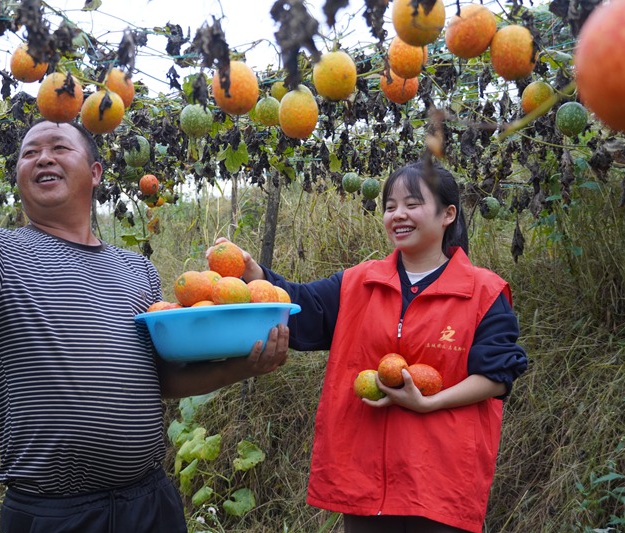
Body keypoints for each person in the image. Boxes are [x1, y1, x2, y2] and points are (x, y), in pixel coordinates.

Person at [0, 85, 290, 532]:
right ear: (19, 176)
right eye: (30, 154)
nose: (42, 158)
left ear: (96, 172)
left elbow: (160, 378)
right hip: (54, 515)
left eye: (59, 147)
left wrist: (248, 365)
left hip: (150, 504)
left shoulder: (137, 269)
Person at [221, 161, 528, 533]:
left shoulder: (483, 291)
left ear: (448, 214)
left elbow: (497, 375)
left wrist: (429, 402)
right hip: (363, 484)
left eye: (412, 204)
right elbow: (301, 307)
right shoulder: (358, 283)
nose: (398, 214)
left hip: (439, 484)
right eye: (390, 206)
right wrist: (253, 274)